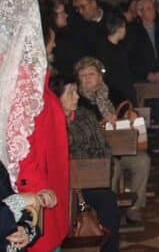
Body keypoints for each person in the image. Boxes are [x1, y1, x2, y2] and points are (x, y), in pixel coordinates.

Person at [2, 0, 66, 252]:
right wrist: (35, 195)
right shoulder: (22, 81)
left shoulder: (18, 74)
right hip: (35, 196)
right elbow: (19, 145)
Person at [75, 57, 150, 224]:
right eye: (83, 75)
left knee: (142, 161)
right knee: (111, 166)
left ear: (100, 76)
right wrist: (102, 122)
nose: (87, 79)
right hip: (97, 153)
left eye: (91, 74)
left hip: (121, 147)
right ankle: (109, 211)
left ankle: (135, 208)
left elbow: (127, 110)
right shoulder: (77, 100)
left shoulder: (114, 93)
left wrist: (130, 115)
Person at [51, 76, 121, 252]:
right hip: (61, 185)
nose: (76, 97)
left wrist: (96, 168)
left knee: (108, 201)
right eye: (70, 93)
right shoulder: (49, 120)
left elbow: (103, 148)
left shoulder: (86, 116)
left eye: (76, 92)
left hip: (90, 181)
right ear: (56, 97)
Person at [128, 0, 159, 151]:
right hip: (142, 77)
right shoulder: (133, 31)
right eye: (148, 9)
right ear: (140, 12)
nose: (153, 11)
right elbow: (131, 57)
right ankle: (142, 141)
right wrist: (146, 74)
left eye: (153, 8)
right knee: (141, 109)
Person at [95, 12, 138, 106]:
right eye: (124, 27)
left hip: (123, 91)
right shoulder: (105, 50)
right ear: (120, 29)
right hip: (116, 94)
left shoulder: (120, 48)